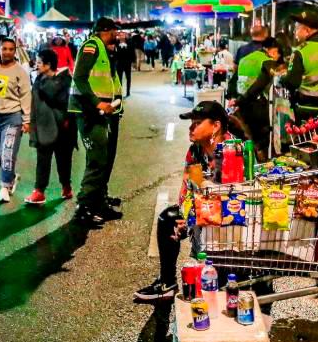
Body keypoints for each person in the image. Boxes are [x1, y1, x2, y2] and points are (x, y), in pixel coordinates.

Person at [134, 101, 235, 301]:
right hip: (204, 211)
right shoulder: (196, 151)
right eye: (191, 123)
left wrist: (196, 217)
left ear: (215, 126)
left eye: (197, 123)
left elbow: (235, 197)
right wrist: (186, 216)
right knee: (168, 218)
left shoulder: (234, 151)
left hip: (230, 216)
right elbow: (190, 188)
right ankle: (167, 283)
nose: (191, 128)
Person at [68, 17, 123, 226]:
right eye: (113, 33)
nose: (116, 37)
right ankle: (83, 207)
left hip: (105, 112)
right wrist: (97, 103)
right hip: (88, 112)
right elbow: (79, 78)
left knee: (105, 159)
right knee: (97, 160)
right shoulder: (91, 45)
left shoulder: (105, 50)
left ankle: (100, 203)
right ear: (103, 31)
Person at [0, 38, 32, 203]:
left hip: (12, 117)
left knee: (8, 153)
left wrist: (26, 120)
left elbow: (25, 96)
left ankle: (5, 186)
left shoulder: (20, 71)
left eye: (11, 49)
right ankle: (10, 175)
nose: (7, 52)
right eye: (4, 49)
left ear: (15, 51)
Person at [24, 49, 76, 205]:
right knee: (43, 160)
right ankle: (39, 191)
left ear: (48, 65)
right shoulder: (39, 79)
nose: (37, 64)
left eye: (39, 62)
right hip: (43, 126)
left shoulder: (64, 81)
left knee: (64, 160)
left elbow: (56, 96)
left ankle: (66, 186)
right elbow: (34, 103)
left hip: (63, 129)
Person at [233, 37, 285, 160]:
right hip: (257, 105)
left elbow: (234, 80)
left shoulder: (245, 59)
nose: (277, 59)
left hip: (242, 106)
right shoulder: (268, 61)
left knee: (247, 139)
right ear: (274, 51)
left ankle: (249, 165)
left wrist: (238, 100)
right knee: (261, 142)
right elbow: (259, 84)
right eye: (278, 55)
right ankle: (261, 167)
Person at [115, 31, 135, 98]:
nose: (121, 36)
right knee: (119, 79)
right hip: (119, 63)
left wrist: (133, 62)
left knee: (128, 78)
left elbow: (132, 52)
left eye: (123, 35)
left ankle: (128, 92)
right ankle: (119, 93)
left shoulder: (129, 43)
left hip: (127, 63)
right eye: (120, 35)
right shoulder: (116, 43)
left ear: (125, 36)